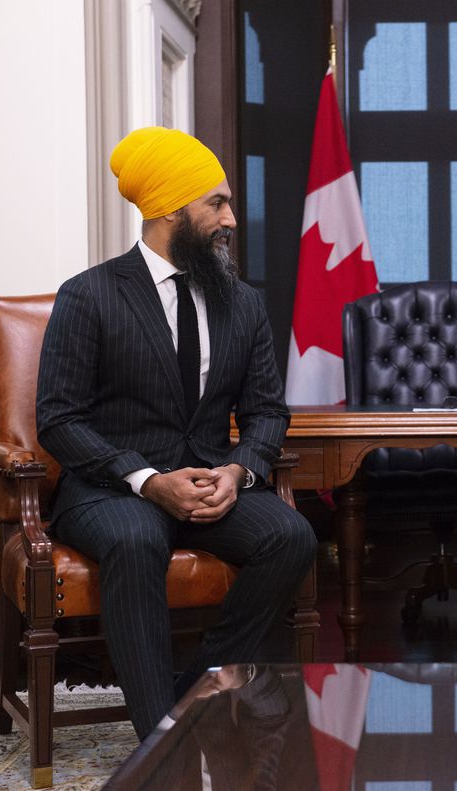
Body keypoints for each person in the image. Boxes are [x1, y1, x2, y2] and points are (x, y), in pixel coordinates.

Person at [36, 126, 317, 740]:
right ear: (169, 209)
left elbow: (269, 410)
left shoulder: (241, 302)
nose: (231, 219)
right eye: (216, 203)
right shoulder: (89, 296)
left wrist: (238, 470)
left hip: (211, 483)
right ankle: (157, 741)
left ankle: (193, 691)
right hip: (112, 490)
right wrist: (146, 479)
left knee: (291, 535)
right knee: (136, 540)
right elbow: (58, 419)